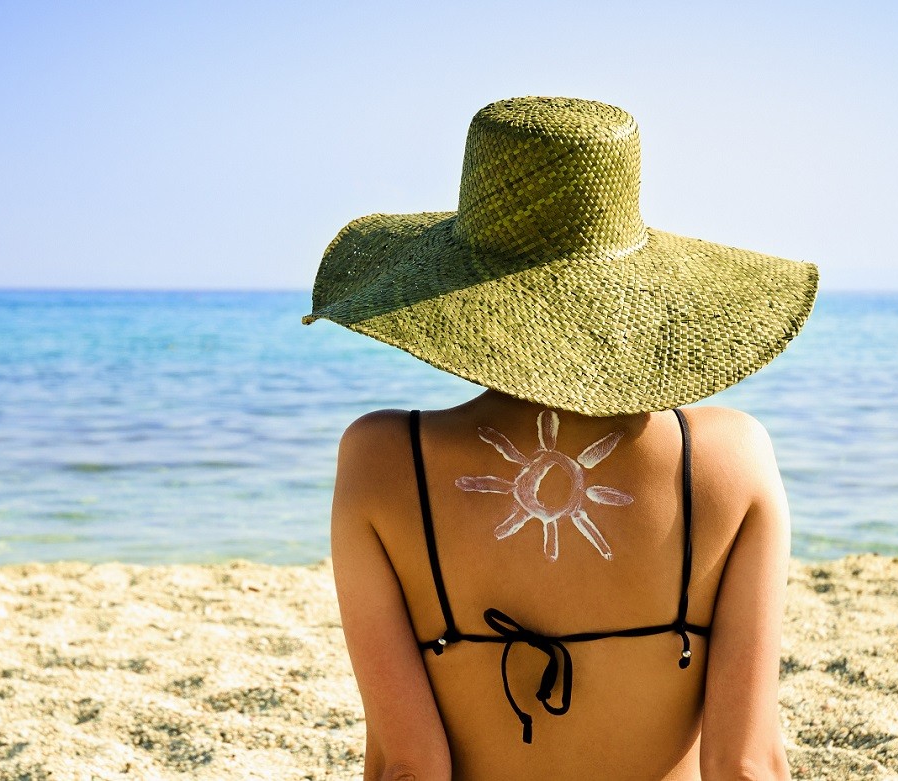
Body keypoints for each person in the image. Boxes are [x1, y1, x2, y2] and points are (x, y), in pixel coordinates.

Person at [303, 97, 818, 780]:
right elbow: (747, 764)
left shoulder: (381, 459)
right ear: (636, 285)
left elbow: (411, 764)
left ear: (458, 292)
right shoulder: (731, 458)